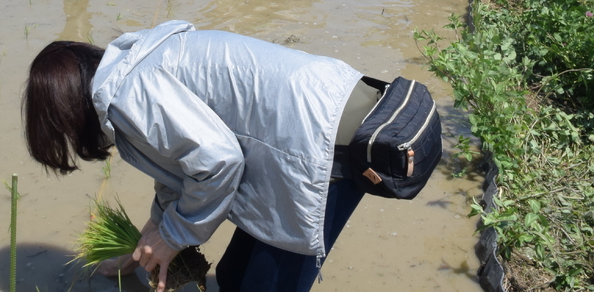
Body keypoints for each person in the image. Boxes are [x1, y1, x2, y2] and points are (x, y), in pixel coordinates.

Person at [22, 22, 387, 292]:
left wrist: (174, 235)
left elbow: (219, 162)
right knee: (233, 278)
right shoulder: (134, 65)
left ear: (68, 113)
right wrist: (151, 234)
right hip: (326, 107)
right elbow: (182, 163)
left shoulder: (127, 99)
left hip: (323, 145)